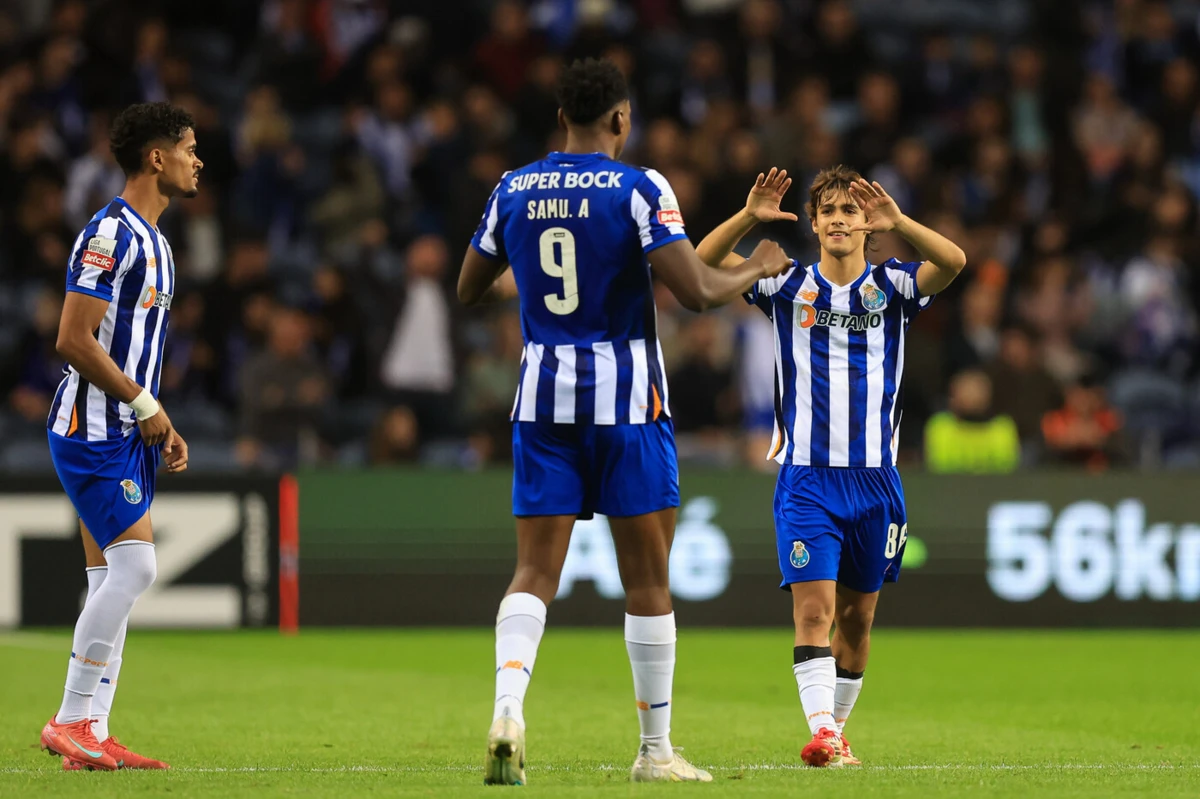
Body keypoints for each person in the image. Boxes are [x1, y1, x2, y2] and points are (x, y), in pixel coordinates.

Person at [458, 57, 791, 785]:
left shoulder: (513, 188)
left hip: (542, 397)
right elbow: (698, 291)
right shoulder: (640, 187)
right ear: (620, 118)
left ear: (560, 119)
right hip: (627, 400)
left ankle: (508, 707)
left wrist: (543, 287)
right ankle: (654, 751)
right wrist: (757, 266)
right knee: (647, 578)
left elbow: (468, 287)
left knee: (534, 570)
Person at [696, 164, 967, 767]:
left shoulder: (894, 285)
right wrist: (747, 216)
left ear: (865, 223)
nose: (840, 219)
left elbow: (952, 263)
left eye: (851, 210)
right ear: (814, 223)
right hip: (807, 479)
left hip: (876, 481)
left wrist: (902, 223)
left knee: (858, 620)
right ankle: (821, 733)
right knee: (813, 610)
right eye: (830, 211)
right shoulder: (784, 283)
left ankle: (836, 731)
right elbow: (701, 264)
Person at [41, 102, 202, 772]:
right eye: (190, 148)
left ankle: (94, 729)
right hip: (92, 427)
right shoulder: (111, 234)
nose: (198, 161)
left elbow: (130, 351)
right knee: (138, 567)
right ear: (156, 157)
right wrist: (144, 404)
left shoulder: (158, 242)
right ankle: (70, 718)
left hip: (125, 430)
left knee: (110, 573)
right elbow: (72, 337)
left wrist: (153, 417)